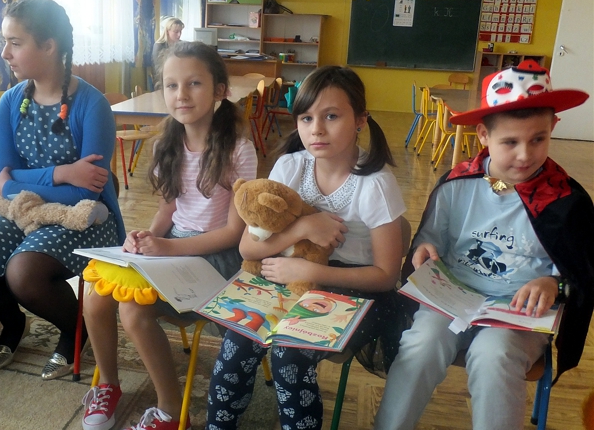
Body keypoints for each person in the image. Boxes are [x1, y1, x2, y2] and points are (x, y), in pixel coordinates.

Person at [374, 60, 594, 430]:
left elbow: (580, 270)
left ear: (553, 127)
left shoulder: (565, 200)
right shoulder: (456, 185)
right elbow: (430, 238)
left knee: (494, 356)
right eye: (510, 142)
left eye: (538, 139)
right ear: (483, 135)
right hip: (453, 297)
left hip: (519, 312)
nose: (525, 155)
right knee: (421, 344)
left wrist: (552, 283)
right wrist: (423, 250)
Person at [206, 66, 407, 430]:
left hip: (358, 288)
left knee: (289, 354)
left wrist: (311, 271)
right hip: (288, 274)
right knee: (240, 338)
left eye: (332, 116)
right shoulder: (290, 167)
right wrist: (302, 228)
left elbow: (386, 275)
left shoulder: (375, 183)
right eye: (306, 118)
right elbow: (249, 248)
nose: (316, 129)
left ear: (360, 120)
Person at [80, 41, 257, 430]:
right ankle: (108, 385)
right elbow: (167, 210)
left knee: (132, 310)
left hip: (216, 261)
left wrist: (166, 246)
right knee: (95, 295)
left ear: (220, 90)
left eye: (194, 83)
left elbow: (233, 234)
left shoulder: (238, 151)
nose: (181, 95)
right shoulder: (166, 144)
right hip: (173, 248)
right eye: (171, 85)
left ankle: (172, 411)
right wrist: (145, 238)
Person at [0, 0, 125, 380]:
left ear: (49, 46)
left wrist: (15, 184)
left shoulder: (92, 106)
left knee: (24, 272)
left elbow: (84, 196)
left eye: (15, 42)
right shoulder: (12, 101)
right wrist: (62, 174)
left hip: (84, 219)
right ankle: (14, 322)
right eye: (4, 42)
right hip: (22, 209)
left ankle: (76, 328)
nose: (5, 53)